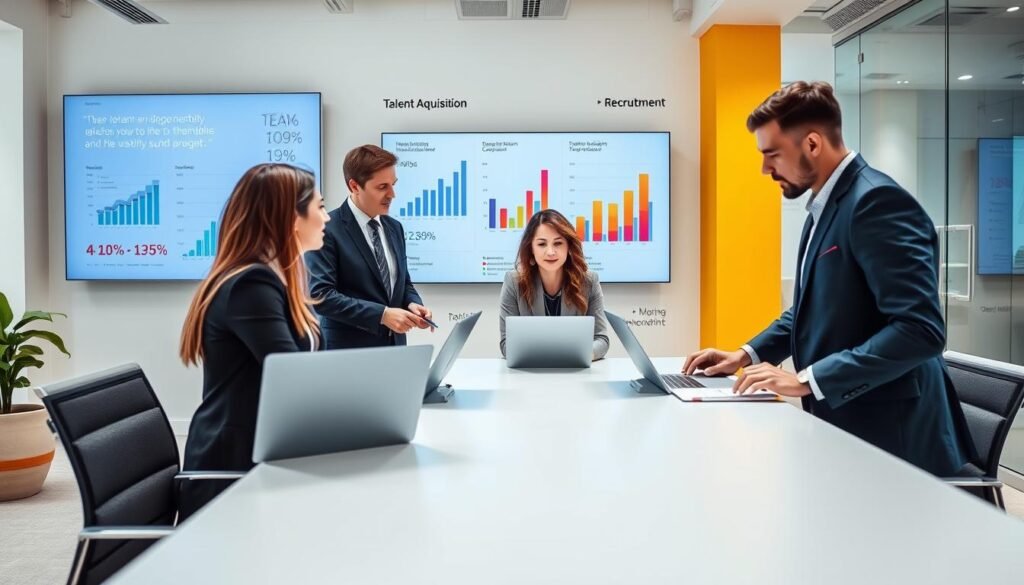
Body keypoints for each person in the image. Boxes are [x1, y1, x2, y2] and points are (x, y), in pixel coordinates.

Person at [683, 81, 973, 476]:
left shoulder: (876, 202)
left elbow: (920, 330)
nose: (765, 169)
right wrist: (747, 354)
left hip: (895, 441)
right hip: (850, 426)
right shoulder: (826, 206)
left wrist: (808, 379)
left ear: (813, 144)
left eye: (772, 155)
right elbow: (810, 310)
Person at [178, 163, 329, 518]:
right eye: (320, 207)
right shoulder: (251, 285)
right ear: (291, 217)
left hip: (263, 453)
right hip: (235, 471)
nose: (327, 218)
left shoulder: (270, 279)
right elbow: (292, 378)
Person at [307, 145, 434, 349]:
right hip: (348, 355)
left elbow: (404, 283)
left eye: (393, 184)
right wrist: (382, 315)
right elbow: (321, 296)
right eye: (382, 187)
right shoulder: (327, 229)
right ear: (354, 186)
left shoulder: (395, 228)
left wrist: (412, 303)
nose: (392, 194)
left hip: (394, 351)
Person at [499, 209, 609, 361]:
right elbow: (506, 345)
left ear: (568, 247)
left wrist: (580, 355)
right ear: (531, 248)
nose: (550, 252)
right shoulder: (514, 281)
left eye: (558, 243)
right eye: (542, 244)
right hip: (530, 374)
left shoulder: (589, 281)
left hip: (575, 372)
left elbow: (602, 340)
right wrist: (550, 356)